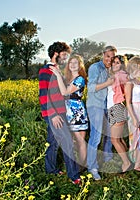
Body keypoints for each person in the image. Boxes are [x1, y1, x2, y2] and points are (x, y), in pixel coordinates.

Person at [38, 41, 81, 185]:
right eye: (63, 55)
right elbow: (44, 95)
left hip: (61, 112)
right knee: (68, 142)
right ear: (55, 54)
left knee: (53, 142)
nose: (65, 58)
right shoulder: (45, 71)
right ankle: (74, 175)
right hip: (55, 114)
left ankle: (50, 169)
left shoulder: (57, 71)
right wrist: (53, 115)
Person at [50, 54, 89, 167]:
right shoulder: (67, 78)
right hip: (66, 111)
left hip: (76, 112)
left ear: (80, 66)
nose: (72, 65)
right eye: (70, 62)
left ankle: (82, 166)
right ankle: (75, 164)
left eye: (75, 63)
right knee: (72, 141)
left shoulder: (80, 79)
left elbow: (65, 92)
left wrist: (57, 75)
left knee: (80, 140)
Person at [86, 45, 116, 180]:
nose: (109, 59)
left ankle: (108, 158)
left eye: (112, 57)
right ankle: (92, 166)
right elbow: (91, 88)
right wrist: (107, 83)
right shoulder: (95, 68)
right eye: (107, 56)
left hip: (107, 105)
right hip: (95, 105)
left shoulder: (111, 69)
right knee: (96, 136)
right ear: (102, 55)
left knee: (109, 134)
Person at [107, 55, 134, 173]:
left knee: (114, 140)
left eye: (117, 63)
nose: (114, 65)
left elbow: (127, 79)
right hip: (112, 109)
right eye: (113, 62)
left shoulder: (121, 74)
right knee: (119, 139)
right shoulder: (114, 75)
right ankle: (128, 160)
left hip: (117, 108)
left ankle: (126, 163)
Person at [126, 56, 140, 162]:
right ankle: (133, 160)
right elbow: (128, 102)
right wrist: (134, 118)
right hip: (134, 109)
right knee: (134, 135)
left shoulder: (138, 81)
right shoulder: (129, 82)